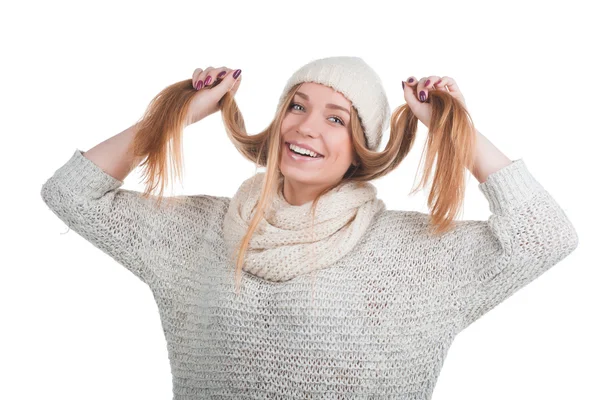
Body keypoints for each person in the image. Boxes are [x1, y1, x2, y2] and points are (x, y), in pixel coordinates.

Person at [40, 56, 579, 398]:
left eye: (335, 118)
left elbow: (546, 236)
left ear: (359, 148)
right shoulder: (201, 232)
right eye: (296, 106)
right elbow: (71, 192)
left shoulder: (415, 255)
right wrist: (177, 115)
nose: (304, 126)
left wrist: (452, 127)